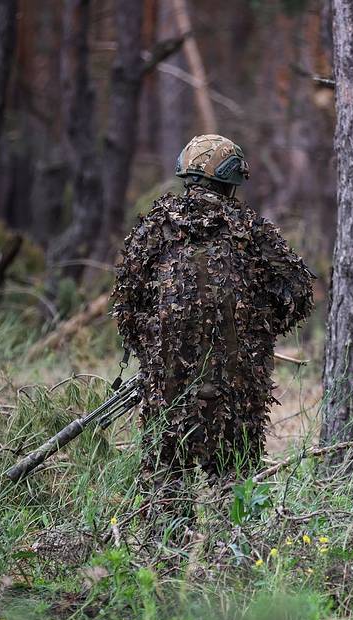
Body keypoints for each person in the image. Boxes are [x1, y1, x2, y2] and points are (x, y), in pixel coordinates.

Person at [113, 134, 315, 501]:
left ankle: (167, 556)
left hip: (168, 383)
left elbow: (126, 306)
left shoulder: (154, 229)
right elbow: (298, 292)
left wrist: (152, 350)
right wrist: (257, 332)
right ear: (230, 181)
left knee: (166, 482)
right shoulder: (251, 231)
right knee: (236, 483)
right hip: (237, 386)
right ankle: (234, 554)